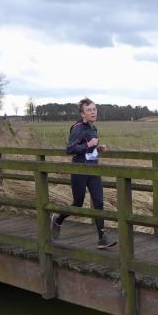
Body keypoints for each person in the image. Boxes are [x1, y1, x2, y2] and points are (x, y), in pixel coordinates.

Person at [50, 97, 116, 249]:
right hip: (79, 170)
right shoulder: (77, 128)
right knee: (78, 204)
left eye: (94, 109)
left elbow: (88, 148)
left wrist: (97, 148)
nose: (93, 112)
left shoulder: (93, 128)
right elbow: (70, 149)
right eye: (89, 110)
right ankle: (58, 219)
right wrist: (89, 145)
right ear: (82, 114)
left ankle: (102, 239)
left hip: (93, 169)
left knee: (99, 202)